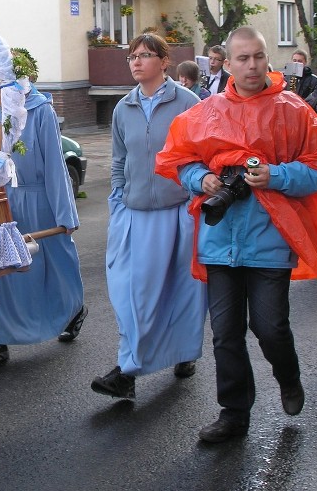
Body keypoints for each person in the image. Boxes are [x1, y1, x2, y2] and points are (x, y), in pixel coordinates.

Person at [154, 27, 317, 443]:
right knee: (226, 333)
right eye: (242, 58)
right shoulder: (206, 112)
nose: (251, 66)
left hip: (270, 240)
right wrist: (202, 179)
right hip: (219, 240)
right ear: (226, 64)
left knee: (270, 328)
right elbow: (178, 159)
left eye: (258, 57)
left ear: (268, 60)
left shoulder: (293, 110)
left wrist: (276, 175)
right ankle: (234, 414)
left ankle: (288, 377)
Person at [91, 34, 207, 401]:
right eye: (132, 57)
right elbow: (119, 159)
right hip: (135, 212)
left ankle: (179, 354)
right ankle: (130, 366)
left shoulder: (188, 103)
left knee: (180, 291)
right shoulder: (122, 108)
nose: (136, 62)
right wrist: (117, 200)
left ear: (164, 61)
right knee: (133, 293)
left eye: (145, 55)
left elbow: (202, 156)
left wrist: (194, 202)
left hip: (177, 212)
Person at [0, 78, 87, 371]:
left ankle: (73, 310)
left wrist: (65, 213)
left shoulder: (41, 109)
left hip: (39, 201)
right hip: (2, 200)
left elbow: (54, 165)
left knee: (55, 264)